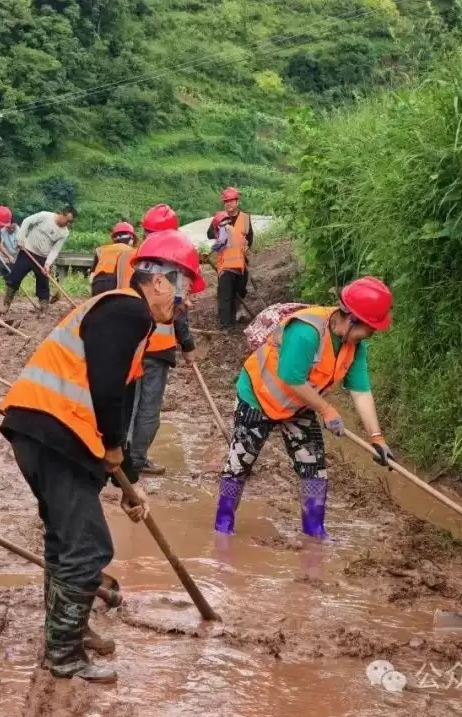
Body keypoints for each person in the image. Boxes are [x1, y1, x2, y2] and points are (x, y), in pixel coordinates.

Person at [0, 231, 205, 683]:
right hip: (55, 430)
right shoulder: (125, 309)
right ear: (159, 282)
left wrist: (126, 478)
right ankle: (64, 653)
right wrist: (112, 446)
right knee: (90, 548)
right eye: (184, 287)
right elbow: (107, 390)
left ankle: (68, 630)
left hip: (45, 433)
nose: (184, 302)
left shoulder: (131, 320)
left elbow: (122, 402)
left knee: (65, 541)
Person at [214, 277, 394, 538]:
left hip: (299, 406)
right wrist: (327, 410)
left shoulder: (355, 345)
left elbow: (361, 390)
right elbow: (290, 377)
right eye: (370, 328)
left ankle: (314, 532)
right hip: (258, 397)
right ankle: (223, 527)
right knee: (239, 464)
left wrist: (376, 438)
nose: (370, 334)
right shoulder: (307, 331)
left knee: (314, 468)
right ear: (352, 318)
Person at [121, 217, 197, 476]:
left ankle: (121, 455)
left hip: (131, 342)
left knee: (126, 402)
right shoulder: (169, 265)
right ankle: (136, 459)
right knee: (147, 407)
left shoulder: (137, 260)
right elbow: (178, 312)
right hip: (157, 347)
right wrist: (187, 344)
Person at [0, 206, 77, 313]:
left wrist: (48, 264)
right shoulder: (45, 216)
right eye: (67, 221)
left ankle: (43, 308)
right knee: (14, 278)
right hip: (26, 252)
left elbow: (55, 250)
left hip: (42, 258)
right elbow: (27, 221)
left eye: (70, 222)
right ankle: (5, 306)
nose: (68, 224)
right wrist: (21, 239)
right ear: (63, 214)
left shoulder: (64, 233)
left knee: (43, 284)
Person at [208, 187, 255, 329]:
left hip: (240, 263)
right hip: (225, 263)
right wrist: (219, 232)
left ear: (237, 201)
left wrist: (247, 245)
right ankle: (225, 325)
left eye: (231, 201)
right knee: (225, 295)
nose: (229, 204)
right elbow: (209, 234)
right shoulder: (219, 217)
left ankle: (234, 316)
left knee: (239, 290)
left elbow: (250, 237)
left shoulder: (245, 218)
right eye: (226, 201)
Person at [90, 222, 137, 296]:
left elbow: (92, 274)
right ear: (131, 240)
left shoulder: (101, 250)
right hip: (122, 292)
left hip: (98, 286)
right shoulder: (132, 252)